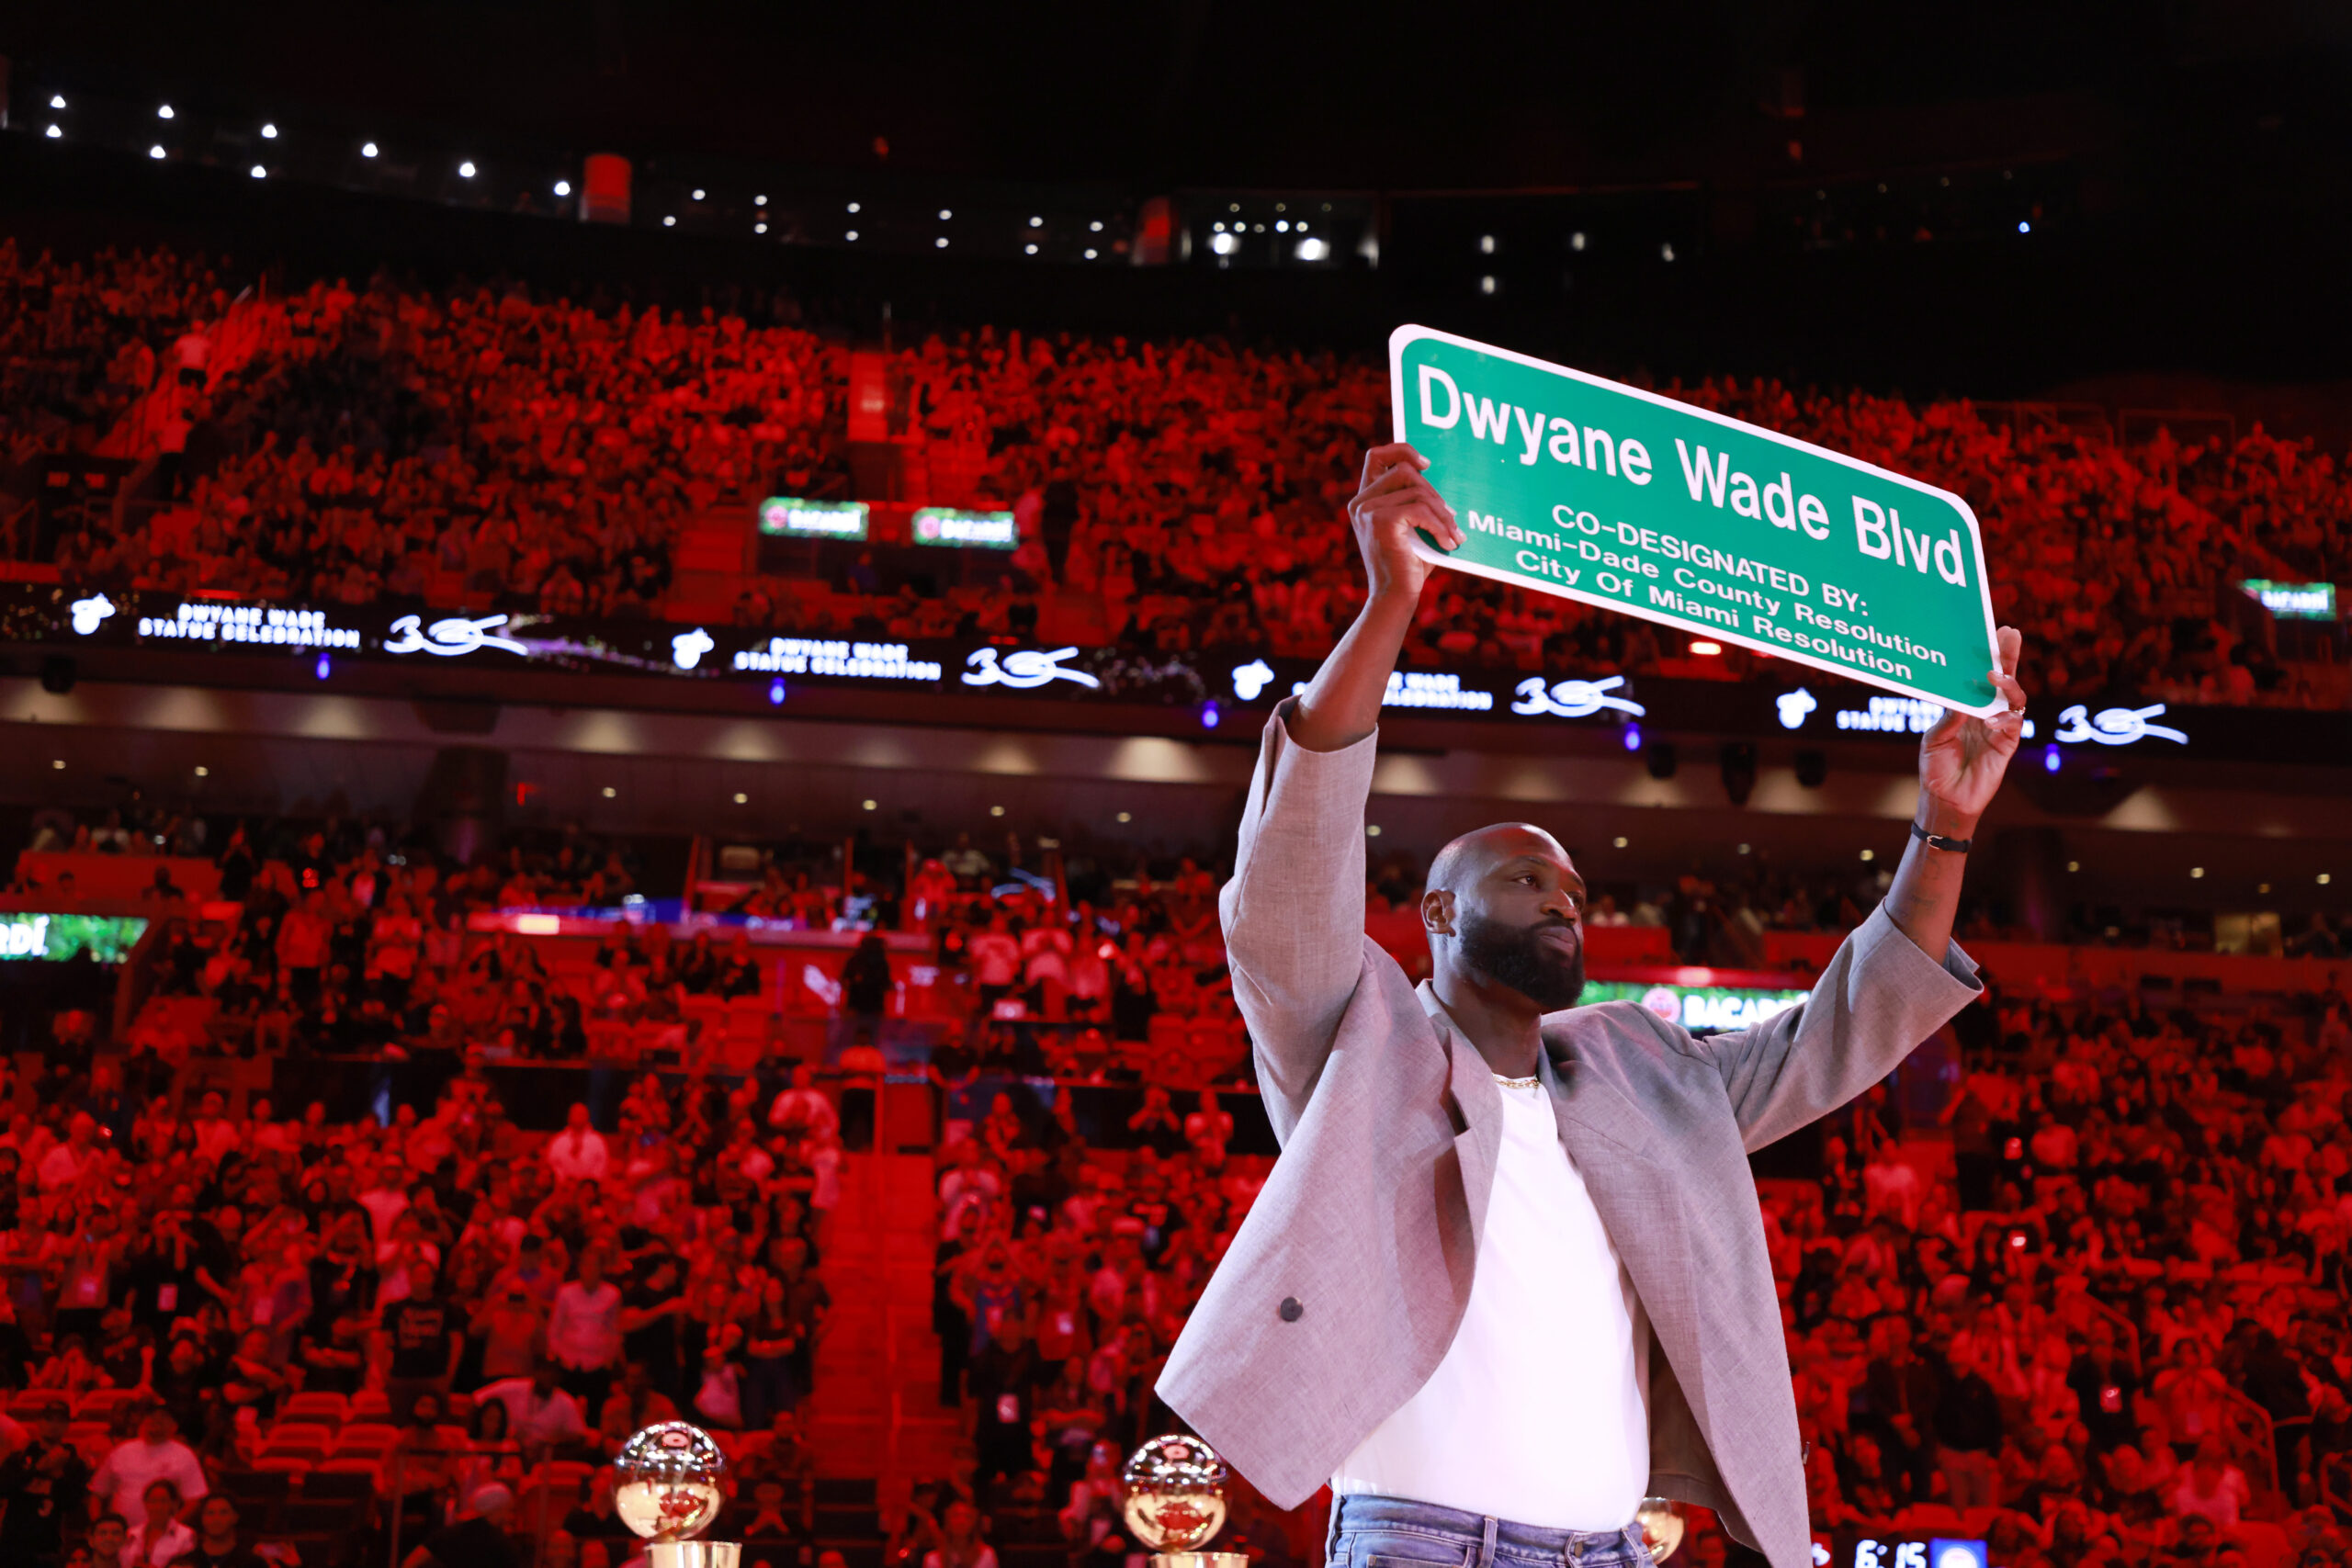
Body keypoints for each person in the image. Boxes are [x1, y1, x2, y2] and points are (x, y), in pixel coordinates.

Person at [1156, 444, 2028, 1568]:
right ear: (1434, 912)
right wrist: (1387, 608)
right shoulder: (1358, 1037)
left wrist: (1944, 822)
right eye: (1524, 880)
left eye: (1574, 889)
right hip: (1423, 1546)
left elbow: (1841, 1026)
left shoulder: (1647, 1070)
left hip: (1611, 1550)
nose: (1562, 901)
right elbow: (1284, 877)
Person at [0, 1394, 91, 1564]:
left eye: (60, 1421)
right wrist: (36, 1470)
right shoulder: (19, 1457)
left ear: (67, 1426)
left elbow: (72, 1505)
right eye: (49, 1419)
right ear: (39, 1422)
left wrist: (59, 1475)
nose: (53, 1426)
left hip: (49, 1548)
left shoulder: (74, 1464)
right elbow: (3, 1488)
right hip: (12, 1546)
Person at [90, 1401, 208, 1519]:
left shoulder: (184, 1455)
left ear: (174, 1426)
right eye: (151, 1415)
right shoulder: (122, 1451)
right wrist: (98, 1526)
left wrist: (171, 1528)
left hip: (164, 1534)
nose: (156, 1419)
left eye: (163, 1416)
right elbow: (97, 1492)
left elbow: (194, 1500)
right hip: (120, 1533)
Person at [402, 1483, 519, 1568]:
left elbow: (411, 1562)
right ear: (499, 1509)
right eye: (509, 1510)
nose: (511, 1516)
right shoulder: (502, 1543)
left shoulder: (448, 1534)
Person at [165, 1493, 261, 1568]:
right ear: (202, 1518)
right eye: (210, 1513)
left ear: (235, 1517)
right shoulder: (185, 1563)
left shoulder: (253, 1564)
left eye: (223, 1512)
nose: (216, 1519)